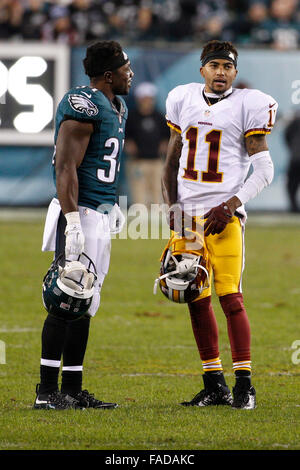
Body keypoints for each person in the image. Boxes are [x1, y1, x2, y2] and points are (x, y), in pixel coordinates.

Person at [162, 40, 277, 409]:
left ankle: (244, 385)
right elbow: (170, 162)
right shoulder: (182, 98)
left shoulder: (248, 104)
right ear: (202, 70)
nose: (221, 72)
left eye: (227, 67)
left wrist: (231, 205)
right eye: (214, 65)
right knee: (192, 297)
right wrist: (173, 208)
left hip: (223, 220)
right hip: (188, 220)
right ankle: (214, 384)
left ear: (235, 73)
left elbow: (264, 170)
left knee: (231, 298)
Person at [34, 40, 134, 409]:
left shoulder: (116, 106)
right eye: (125, 69)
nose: (131, 74)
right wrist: (72, 218)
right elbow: (66, 167)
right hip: (79, 212)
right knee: (66, 297)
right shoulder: (83, 103)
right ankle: (46, 392)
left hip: (99, 212)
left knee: (85, 301)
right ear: (108, 75)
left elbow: (103, 165)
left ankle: (73, 389)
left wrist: (112, 204)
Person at [125, 82, 169, 207]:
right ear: (139, 99)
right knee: (139, 196)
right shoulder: (131, 117)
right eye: (144, 98)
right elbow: (126, 136)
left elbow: (167, 137)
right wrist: (129, 145)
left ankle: (156, 223)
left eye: (149, 98)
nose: (147, 101)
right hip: (137, 162)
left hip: (157, 162)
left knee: (157, 195)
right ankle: (140, 222)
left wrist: (164, 146)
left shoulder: (160, 117)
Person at [284, 111, 300, 213]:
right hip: (295, 157)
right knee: (291, 185)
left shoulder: (293, 124)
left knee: (291, 186)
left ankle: (294, 208)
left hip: (295, 157)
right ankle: (294, 208)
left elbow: (286, 137)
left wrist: (292, 148)